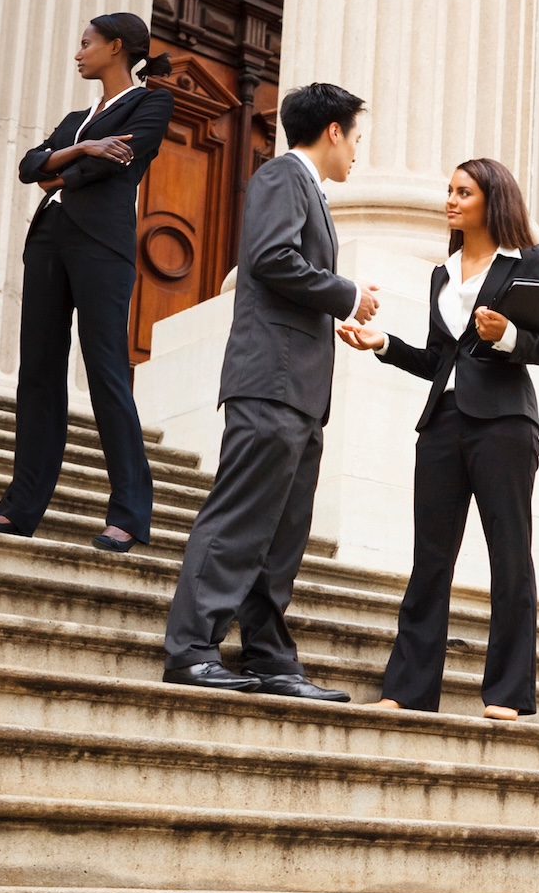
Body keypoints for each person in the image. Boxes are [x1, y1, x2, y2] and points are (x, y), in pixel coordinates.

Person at [160, 82, 380, 700]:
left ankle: (267, 657)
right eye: (357, 136)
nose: (358, 151)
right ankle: (191, 649)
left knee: (281, 534)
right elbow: (272, 259)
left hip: (301, 391)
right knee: (238, 520)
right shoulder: (283, 177)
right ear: (333, 131)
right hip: (271, 380)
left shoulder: (310, 190)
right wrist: (346, 293)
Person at [335, 158, 539, 719]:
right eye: (449, 191)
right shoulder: (445, 271)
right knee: (430, 558)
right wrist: (383, 342)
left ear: (493, 199)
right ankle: (408, 690)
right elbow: (440, 359)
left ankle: (509, 694)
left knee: (509, 556)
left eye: (464, 192)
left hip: (505, 426)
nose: (451, 200)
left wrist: (508, 334)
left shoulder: (527, 261)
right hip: (443, 422)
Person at [0, 13, 175, 552]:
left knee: (106, 371)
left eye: (86, 43)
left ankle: (129, 514)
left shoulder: (153, 102)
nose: (78, 52)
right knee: (37, 373)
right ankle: (19, 511)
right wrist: (84, 150)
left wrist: (64, 171)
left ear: (115, 47)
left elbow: (123, 162)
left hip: (102, 246)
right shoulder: (75, 118)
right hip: (48, 240)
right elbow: (28, 168)